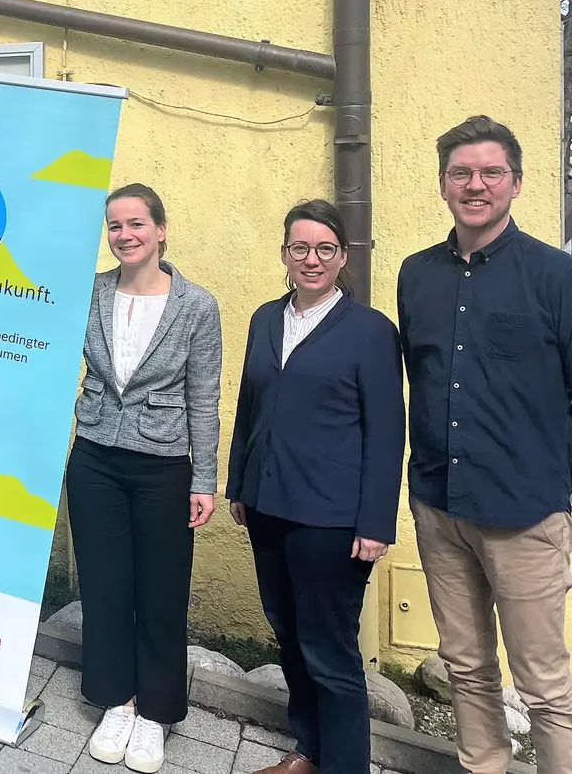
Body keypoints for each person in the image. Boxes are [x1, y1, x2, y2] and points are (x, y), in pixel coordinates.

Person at [397, 115, 572, 774]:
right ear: (443, 183)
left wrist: (570, 486)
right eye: (461, 173)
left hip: (525, 514)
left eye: (490, 172)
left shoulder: (557, 276)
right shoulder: (415, 274)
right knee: (468, 668)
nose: (475, 185)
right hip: (439, 507)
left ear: (517, 183)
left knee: (547, 690)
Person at [226, 199, 404, 774]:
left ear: (342, 257)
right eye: (299, 247)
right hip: (268, 506)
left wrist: (376, 523)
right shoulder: (264, 319)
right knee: (289, 637)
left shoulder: (372, 332)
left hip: (330, 521)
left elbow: (387, 432)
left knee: (330, 653)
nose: (311, 259)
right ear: (284, 253)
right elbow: (249, 407)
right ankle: (307, 751)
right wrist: (238, 484)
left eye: (324, 249)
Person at [70, 183, 221, 774]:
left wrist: (204, 479)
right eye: (114, 226)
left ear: (160, 229)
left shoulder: (197, 305)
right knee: (106, 587)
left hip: (162, 465)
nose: (124, 235)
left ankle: (156, 713)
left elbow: (204, 398)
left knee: (160, 591)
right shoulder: (91, 294)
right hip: (94, 457)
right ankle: (119, 702)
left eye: (136, 224)